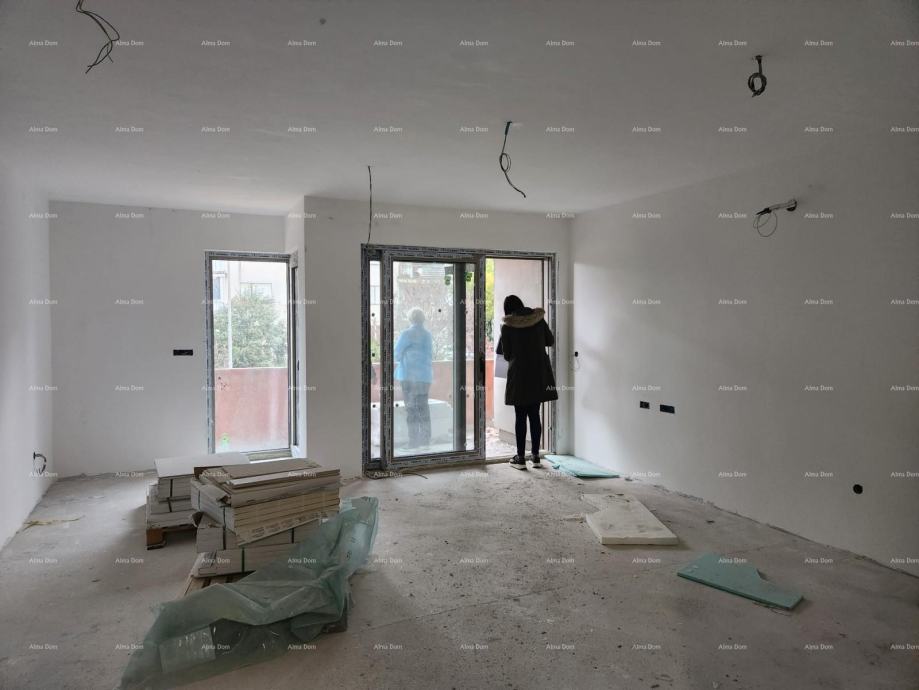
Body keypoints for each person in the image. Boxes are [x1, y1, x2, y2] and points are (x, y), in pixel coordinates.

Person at [496, 295, 558, 470]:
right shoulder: (538, 320)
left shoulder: (507, 326)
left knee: (521, 416)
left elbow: (507, 355)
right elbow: (550, 341)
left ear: (508, 310)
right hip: (539, 373)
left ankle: (521, 458)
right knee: (535, 414)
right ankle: (536, 456)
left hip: (519, 376)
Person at [394, 307, 434, 449]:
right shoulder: (427, 335)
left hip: (409, 376)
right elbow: (430, 354)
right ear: (423, 319)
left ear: (410, 319)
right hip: (425, 376)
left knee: (411, 408)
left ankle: (413, 441)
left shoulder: (406, 334)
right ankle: (425, 440)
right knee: (423, 408)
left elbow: (396, 354)